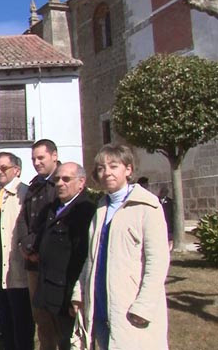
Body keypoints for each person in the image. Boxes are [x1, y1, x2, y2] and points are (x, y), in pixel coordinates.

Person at [71, 144, 170, 350]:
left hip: (129, 306)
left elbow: (157, 262)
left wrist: (144, 306)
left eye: (113, 166)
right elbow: (91, 257)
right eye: (101, 168)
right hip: (101, 306)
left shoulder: (147, 207)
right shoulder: (101, 208)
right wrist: (79, 293)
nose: (107, 172)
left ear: (128, 169)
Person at [34, 162, 96, 350]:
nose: (60, 183)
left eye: (66, 179)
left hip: (66, 295)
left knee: (69, 342)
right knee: (49, 339)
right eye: (57, 179)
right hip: (48, 291)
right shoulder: (53, 208)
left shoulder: (84, 210)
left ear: (81, 182)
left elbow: (82, 257)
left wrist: (75, 297)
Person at [0, 152, 33, 350]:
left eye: (4, 168)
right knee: (4, 312)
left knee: (20, 315)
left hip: (15, 262)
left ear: (17, 170)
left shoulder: (24, 194)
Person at [19, 139, 60, 350]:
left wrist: (40, 250)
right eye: (34, 158)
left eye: (41, 157)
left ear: (54, 155)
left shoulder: (63, 182)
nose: (36, 162)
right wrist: (26, 247)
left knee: (58, 317)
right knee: (40, 317)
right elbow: (24, 219)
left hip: (54, 263)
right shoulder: (34, 185)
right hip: (33, 261)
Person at [158, 186, 174, 250]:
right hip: (159, 220)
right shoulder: (156, 199)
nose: (163, 194)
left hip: (168, 220)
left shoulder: (170, 201)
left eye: (165, 192)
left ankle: (169, 247)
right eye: (162, 192)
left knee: (169, 235)